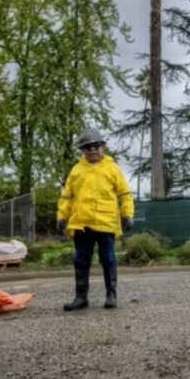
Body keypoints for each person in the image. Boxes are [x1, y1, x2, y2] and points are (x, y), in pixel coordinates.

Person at [56, 129, 134, 310]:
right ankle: (81, 298)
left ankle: (111, 295)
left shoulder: (112, 169)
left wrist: (128, 213)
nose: (92, 150)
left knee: (107, 259)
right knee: (80, 260)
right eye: (87, 147)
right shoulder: (76, 170)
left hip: (105, 223)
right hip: (81, 223)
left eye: (96, 146)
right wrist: (62, 215)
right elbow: (67, 196)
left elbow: (124, 194)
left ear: (102, 147)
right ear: (83, 150)